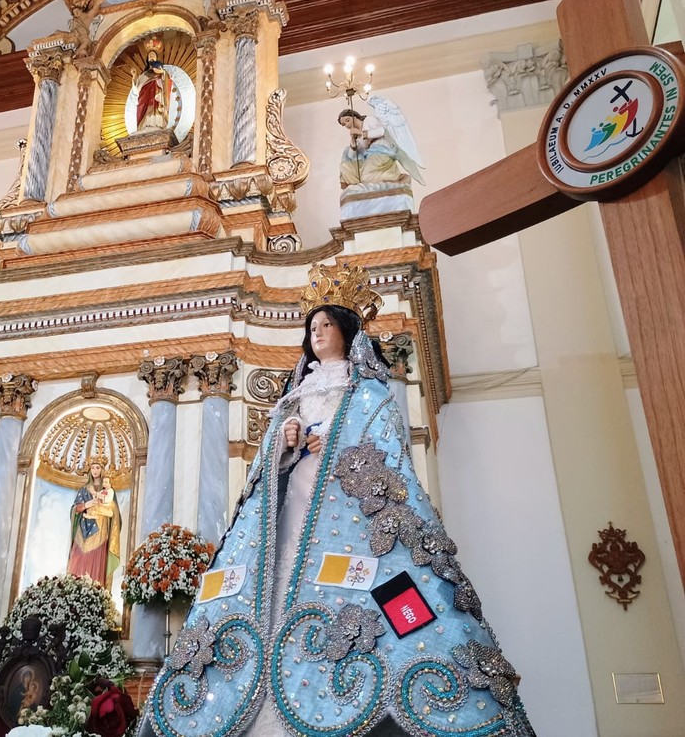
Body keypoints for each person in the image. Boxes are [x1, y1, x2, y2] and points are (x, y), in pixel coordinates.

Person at [139, 262, 535, 737]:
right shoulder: (295, 394)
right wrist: (283, 442)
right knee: (276, 583)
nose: (318, 333)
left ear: (346, 331)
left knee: (359, 590)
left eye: (327, 324)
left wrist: (341, 445)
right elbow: (266, 463)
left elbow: (389, 449)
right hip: (292, 501)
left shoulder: (366, 390)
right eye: (312, 327)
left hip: (345, 506)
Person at [67, 456, 122, 589]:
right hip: (82, 530)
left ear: (102, 470)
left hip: (100, 530)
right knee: (78, 559)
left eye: (98, 468)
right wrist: (86, 504)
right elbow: (74, 509)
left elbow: (114, 511)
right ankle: (74, 591)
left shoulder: (108, 490)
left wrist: (102, 509)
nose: (95, 471)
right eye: (92, 468)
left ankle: (96, 593)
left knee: (97, 561)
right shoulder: (84, 489)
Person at [131, 39, 173, 131]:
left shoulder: (162, 72)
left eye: (153, 55)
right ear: (147, 59)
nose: (151, 57)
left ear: (157, 58)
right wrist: (134, 77)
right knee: (145, 109)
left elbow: (167, 81)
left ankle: (158, 123)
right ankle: (144, 125)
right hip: (145, 98)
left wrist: (161, 73)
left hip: (157, 95)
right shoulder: (144, 75)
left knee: (156, 107)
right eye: (150, 56)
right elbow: (136, 90)